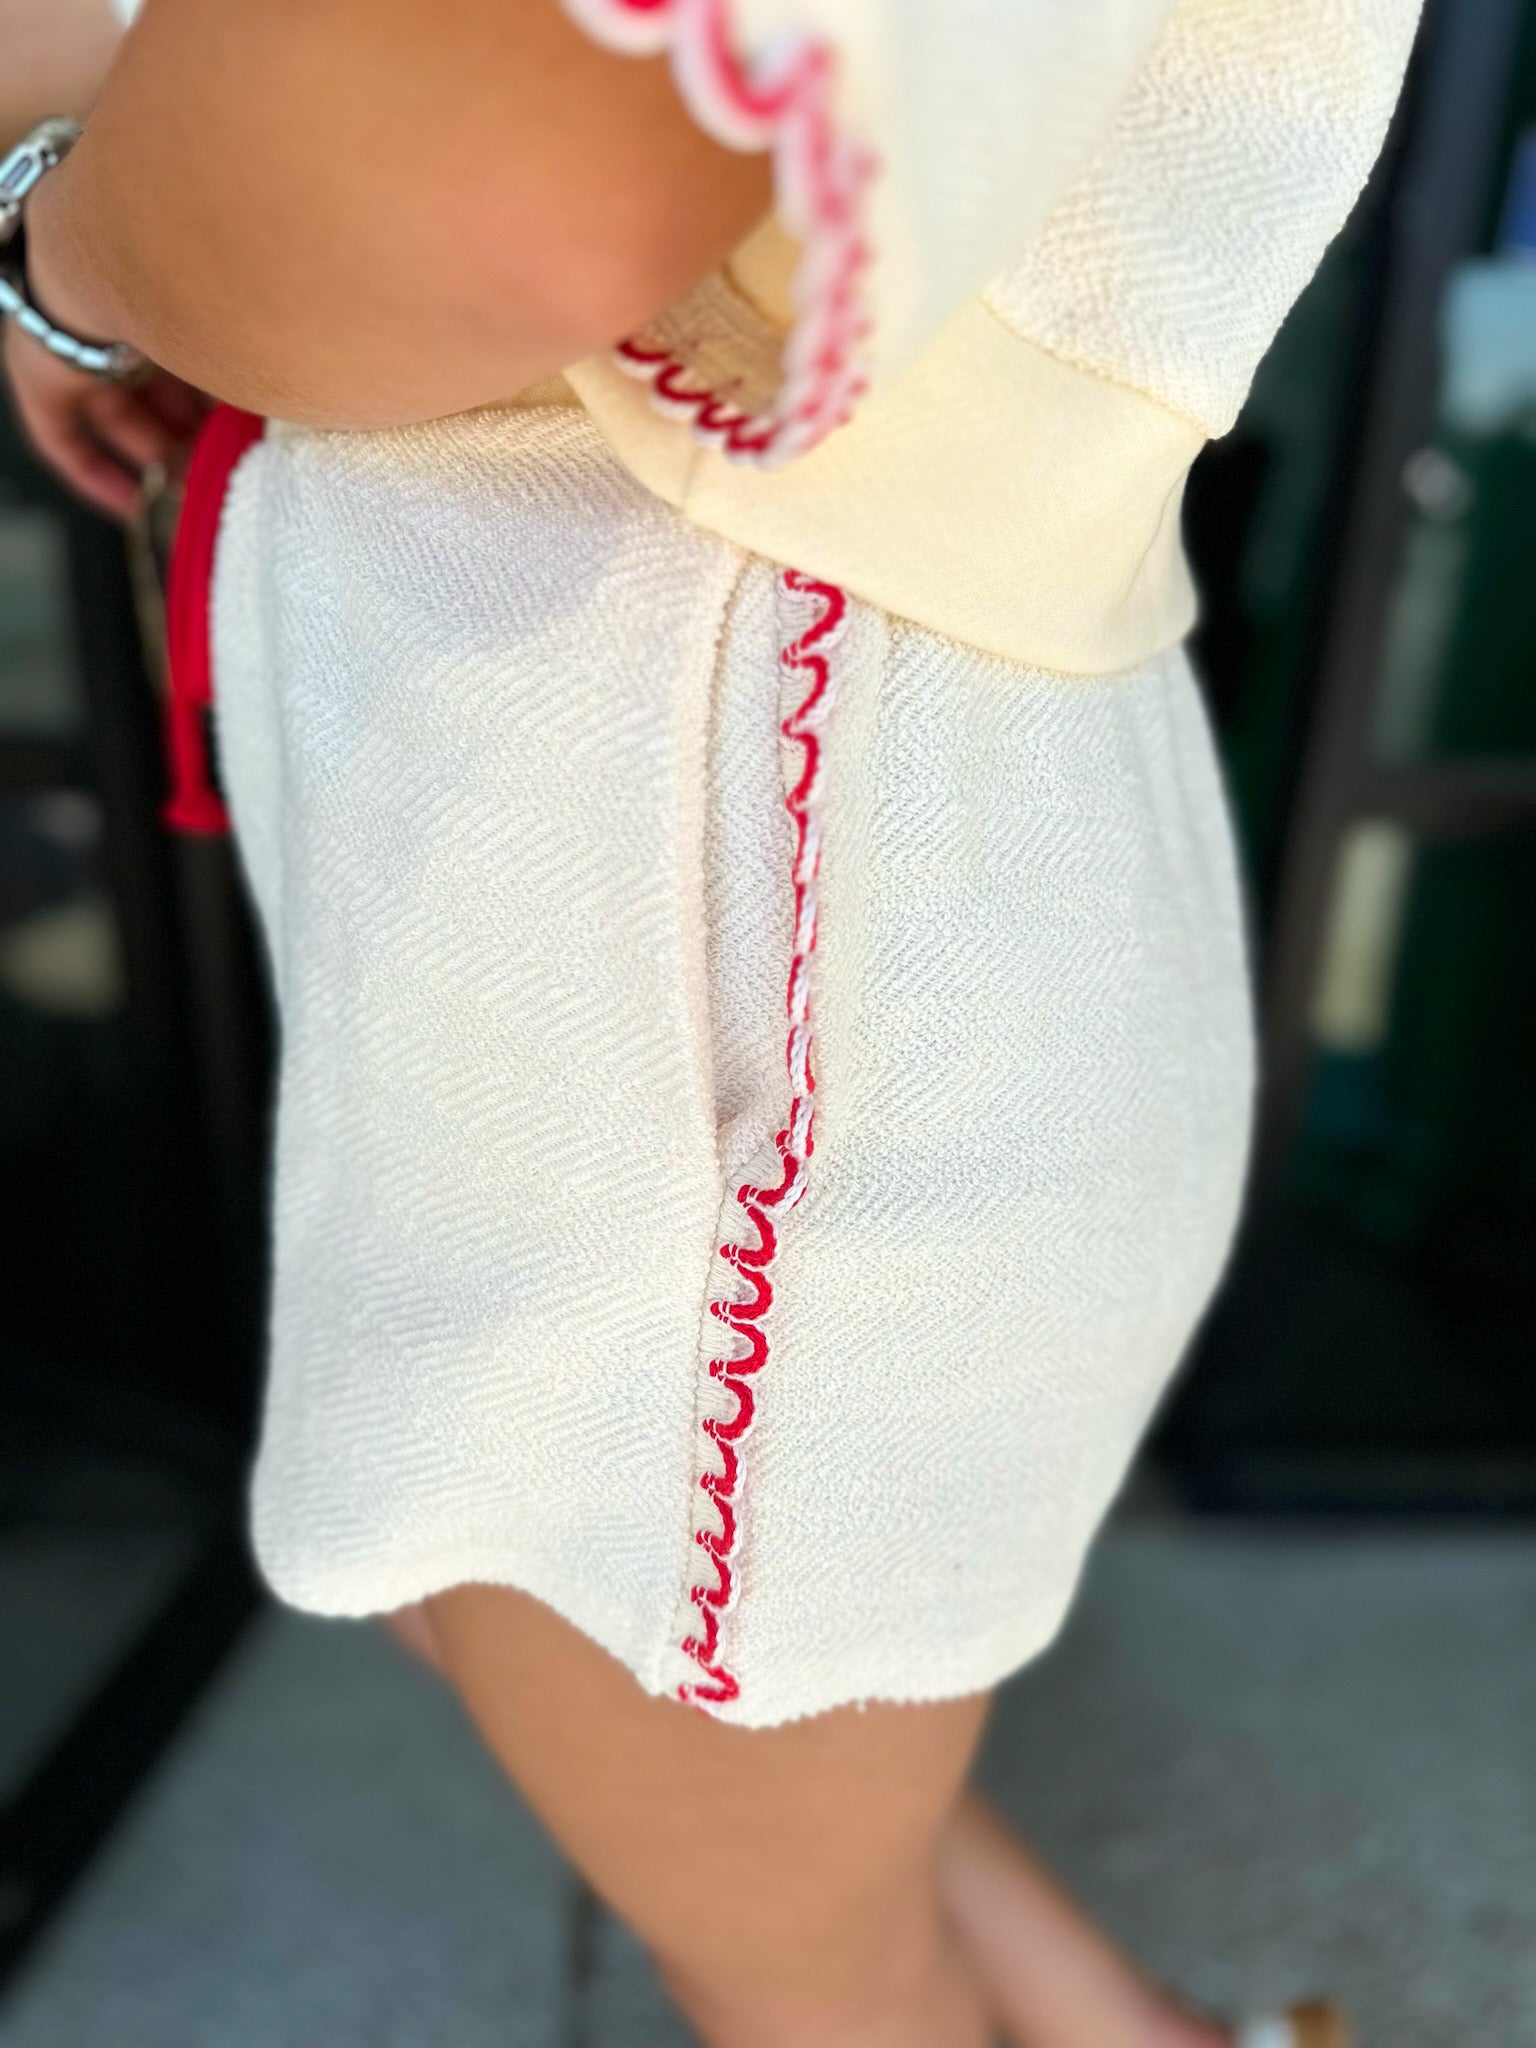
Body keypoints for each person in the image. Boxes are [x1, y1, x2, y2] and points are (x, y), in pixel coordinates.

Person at [1, 2, 1423, 2042]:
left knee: (786, 1932)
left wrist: (64, 223)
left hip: (717, 893)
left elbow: (497, 181)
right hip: (735, 815)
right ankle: (1124, 2025)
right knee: (622, 1684)